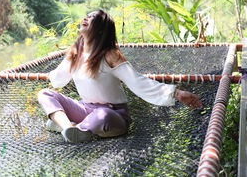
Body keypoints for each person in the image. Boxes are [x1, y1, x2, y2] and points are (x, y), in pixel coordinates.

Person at [37, 9, 203, 143]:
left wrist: (177, 93)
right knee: (44, 93)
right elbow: (58, 80)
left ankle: (71, 128)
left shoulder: (110, 55)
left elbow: (138, 82)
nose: (86, 17)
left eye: (93, 17)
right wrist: (48, 75)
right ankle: (69, 129)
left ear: (101, 29)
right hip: (85, 109)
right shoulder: (75, 54)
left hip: (113, 114)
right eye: (87, 15)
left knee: (103, 115)